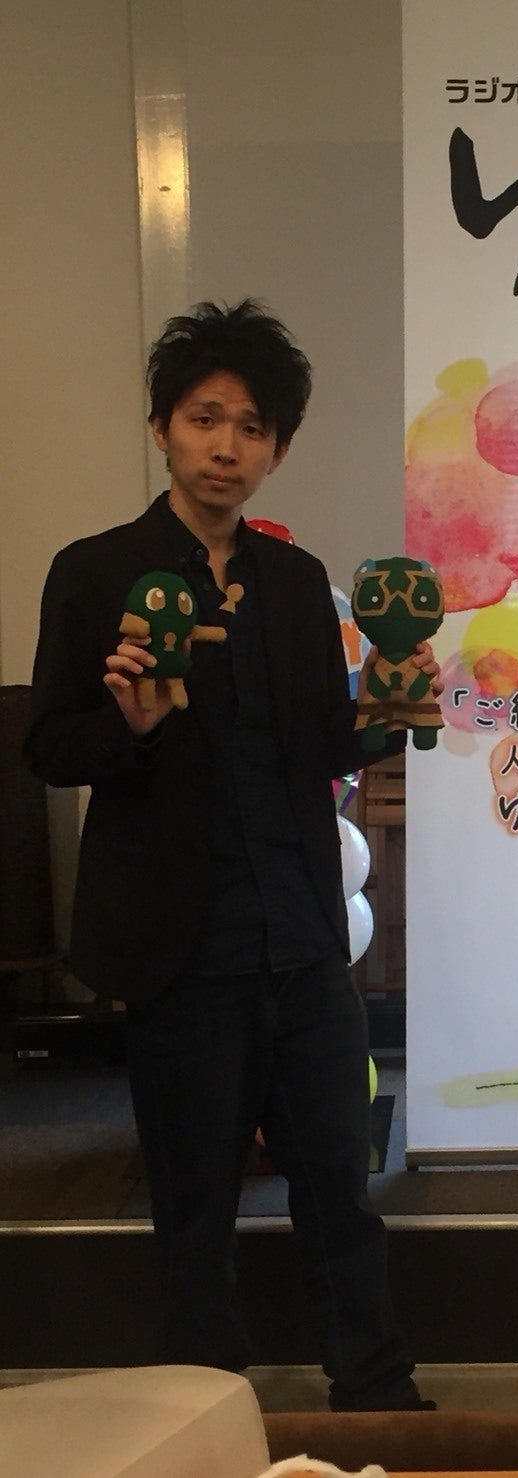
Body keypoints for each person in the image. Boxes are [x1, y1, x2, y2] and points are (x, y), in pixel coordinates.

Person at [24, 299, 436, 1411]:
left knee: (338, 1184)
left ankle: (375, 1388)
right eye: (205, 418)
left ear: (277, 449)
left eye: (252, 427)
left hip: (300, 934)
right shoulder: (95, 571)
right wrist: (132, 725)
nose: (227, 446)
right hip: (180, 947)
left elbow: (320, 749)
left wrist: (391, 712)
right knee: (195, 1197)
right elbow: (49, 748)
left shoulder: (297, 583)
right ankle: (203, 1402)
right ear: (162, 426)